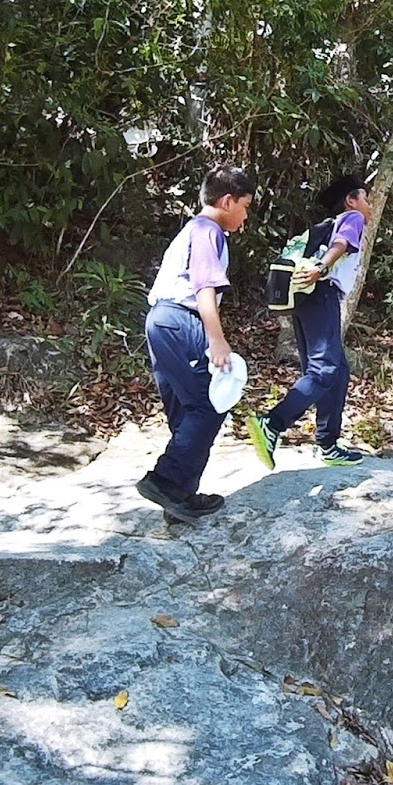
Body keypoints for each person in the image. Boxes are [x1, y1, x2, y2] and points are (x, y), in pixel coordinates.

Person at [136, 164, 256, 524]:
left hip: (160, 320)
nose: (245, 215)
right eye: (245, 206)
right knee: (209, 403)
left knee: (186, 408)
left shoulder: (193, 229)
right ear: (227, 200)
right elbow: (204, 286)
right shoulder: (208, 231)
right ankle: (166, 480)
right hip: (179, 319)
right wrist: (216, 340)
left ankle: (180, 495)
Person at [248, 175, 372, 469]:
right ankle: (273, 422)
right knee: (325, 368)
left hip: (305, 299)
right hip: (322, 293)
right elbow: (342, 244)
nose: (368, 206)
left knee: (337, 371)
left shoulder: (327, 225)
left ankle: (328, 443)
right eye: (365, 198)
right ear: (351, 200)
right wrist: (321, 267)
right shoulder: (352, 217)